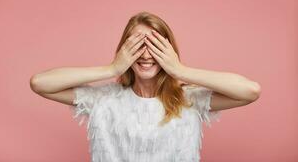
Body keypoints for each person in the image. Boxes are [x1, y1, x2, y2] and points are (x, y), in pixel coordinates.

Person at [30, 11, 261, 162]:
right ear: (124, 50)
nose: (147, 55)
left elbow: (250, 91)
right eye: (138, 44)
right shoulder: (104, 100)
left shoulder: (188, 99)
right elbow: (40, 83)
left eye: (155, 45)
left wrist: (180, 70)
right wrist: (112, 69)